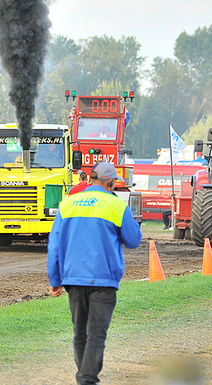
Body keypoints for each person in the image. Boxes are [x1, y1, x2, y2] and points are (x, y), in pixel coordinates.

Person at [48, 162, 142, 385]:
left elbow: (54, 245)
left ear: (90, 179)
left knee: (80, 333)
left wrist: (55, 279)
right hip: (104, 280)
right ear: (110, 182)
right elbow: (133, 240)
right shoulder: (116, 205)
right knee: (96, 334)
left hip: (73, 278)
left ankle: (84, 376)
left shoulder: (67, 204)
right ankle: (87, 380)